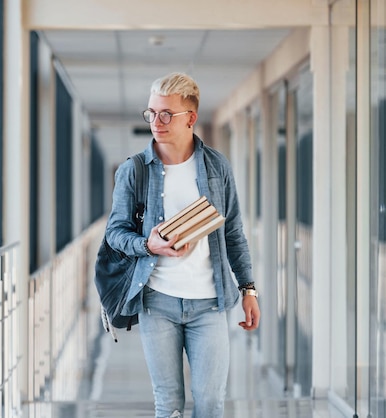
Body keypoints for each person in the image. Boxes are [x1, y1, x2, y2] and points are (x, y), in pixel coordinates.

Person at [104, 72, 260, 418]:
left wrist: (249, 290)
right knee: (168, 403)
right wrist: (149, 244)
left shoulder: (217, 166)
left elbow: (233, 232)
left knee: (210, 404)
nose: (155, 122)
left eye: (165, 114)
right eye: (151, 113)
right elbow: (115, 234)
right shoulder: (134, 170)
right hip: (157, 302)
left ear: (190, 118)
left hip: (210, 303)